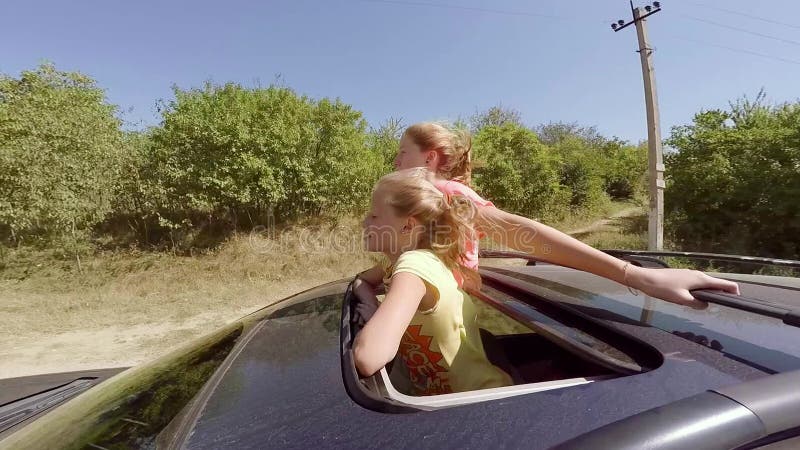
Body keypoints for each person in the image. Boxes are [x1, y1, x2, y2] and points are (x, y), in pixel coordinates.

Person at [383, 121, 740, 307]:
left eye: (401, 151)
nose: (396, 160)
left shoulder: (446, 193)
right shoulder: (421, 199)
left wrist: (635, 275)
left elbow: (518, 231)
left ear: (429, 157)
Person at [352, 169, 513, 395]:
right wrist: (372, 304)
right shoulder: (398, 263)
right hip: (451, 405)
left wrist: (373, 321)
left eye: (374, 216)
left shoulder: (415, 264)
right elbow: (361, 281)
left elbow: (368, 357)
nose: (364, 222)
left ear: (407, 226)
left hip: (484, 401)